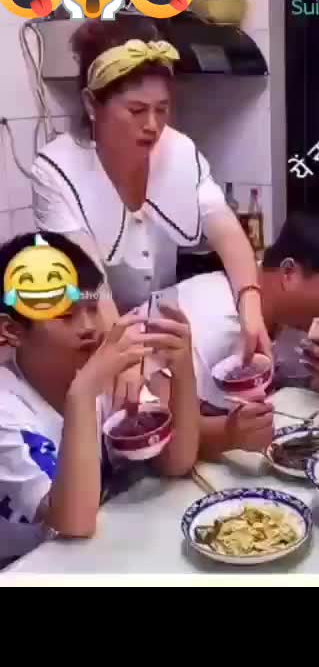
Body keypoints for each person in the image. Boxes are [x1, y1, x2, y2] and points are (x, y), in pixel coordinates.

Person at [30, 17, 270, 404]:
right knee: (124, 406)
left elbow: (227, 231)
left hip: (157, 323)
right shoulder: (57, 170)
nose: (153, 125)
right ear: (92, 104)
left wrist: (250, 304)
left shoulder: (178, 151)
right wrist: (122, 354)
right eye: (136, 110)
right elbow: (90, 282)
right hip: (92, 328)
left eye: (162, 109)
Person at [0, 232, 199, 564]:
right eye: (65, 315)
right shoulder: (8, 410)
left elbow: (176, 461)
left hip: (99, 553)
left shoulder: (101, 370)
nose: (89, 327)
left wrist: (182, 370)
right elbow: (73, 522)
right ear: (13, 331)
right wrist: (84, 392)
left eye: (92, 308)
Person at [154, 212, 319, 459]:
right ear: (289, 273)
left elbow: (287, 392)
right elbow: (162, 438)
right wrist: (228, 434)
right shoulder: (208, 317)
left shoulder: (292, 321)